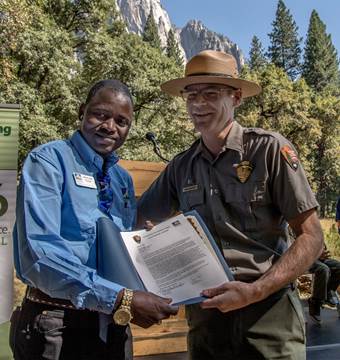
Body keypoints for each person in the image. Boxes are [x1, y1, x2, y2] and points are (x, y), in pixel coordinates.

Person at [138, 50, 324, 359]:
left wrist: (255, 291)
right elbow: (137, 222)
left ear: (236, 98)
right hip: (207, 320)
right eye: (191, 95)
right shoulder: (180, 167)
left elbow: (312, 236)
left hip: (269, 316)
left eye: (210, 94)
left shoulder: (268, 150)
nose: (198, 105)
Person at [9, 79, 178, 360]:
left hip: (114, 324)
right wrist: (120, 298)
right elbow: (39, 257)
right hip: (57, 324)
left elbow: (116, 248)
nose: (110, 126)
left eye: (121, 121)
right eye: (101, 114)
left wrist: (147, 243)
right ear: (81, 112)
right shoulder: (48, 161)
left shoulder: (121, 179)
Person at [308, 246, 340, 323]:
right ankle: (315, 302)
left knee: (338, 267)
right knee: (323, 269)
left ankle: (328, 292)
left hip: (319, 258)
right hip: (306, 259)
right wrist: (316, 255)